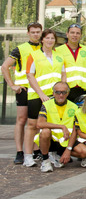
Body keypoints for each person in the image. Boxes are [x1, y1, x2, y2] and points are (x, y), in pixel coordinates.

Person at [24, 29, 66, 168]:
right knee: (32, 126)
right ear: (42, 40)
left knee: (51, 127)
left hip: (54, 97)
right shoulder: (33, 55)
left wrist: (62, 91)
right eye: (47, 38)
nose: (50, 41)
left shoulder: (59, 56)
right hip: (37, 96)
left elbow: (63, 75)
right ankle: (28, 156)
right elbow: (30, 76)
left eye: (52, 39)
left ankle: (51, 155)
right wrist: (41, 94)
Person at [1, 21, 42, 164]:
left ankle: (36, 150)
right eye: (33, 32)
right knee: (21, 120)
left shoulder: (46, 47)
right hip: (24, 89)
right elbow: (5, 66)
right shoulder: (20, 49)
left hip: (39, 89)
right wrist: (12, 85)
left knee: (37, 122)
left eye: (38, 32)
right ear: (28, 33)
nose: (36, 34)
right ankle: (19, 152)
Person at [37, 81, 86, 173]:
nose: (61, 95)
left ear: (68, 93)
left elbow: (75, 130)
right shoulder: (46, 104)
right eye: (57, 92)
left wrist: (68, 150)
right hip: (51, 139)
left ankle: (60, 154)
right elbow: (39, 124)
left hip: (66, 140)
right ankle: (45, 160)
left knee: (85, 152)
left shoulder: (74, 107)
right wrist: (61, 127)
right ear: (53, 93)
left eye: (64, 92)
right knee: (45, 132)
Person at [56, 23, 86, 102]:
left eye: (77, 33)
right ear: (67, 34)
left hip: (83, 89)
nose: (75, 35)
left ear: (80, 35)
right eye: (72, 32)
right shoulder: (58, 50)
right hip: (66, 90)